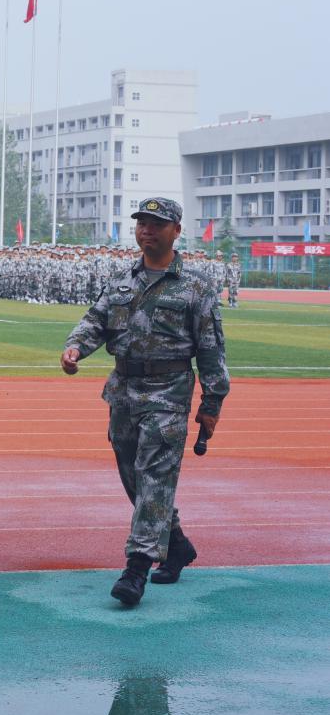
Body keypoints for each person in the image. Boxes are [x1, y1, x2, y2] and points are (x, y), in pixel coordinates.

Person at [61, 197, 230, 607]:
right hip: (123, 391)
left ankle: (136, 568)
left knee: (155, 475)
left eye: (156, 224)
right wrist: (76, 347)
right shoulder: (122, 280)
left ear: (176, 230)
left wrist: (211, 404)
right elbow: (96, 320)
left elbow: (211, 351)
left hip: (168, 393)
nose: (146, 230)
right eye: (142, 223)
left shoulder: (196, 287)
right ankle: (176, 544)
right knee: (133, 475)